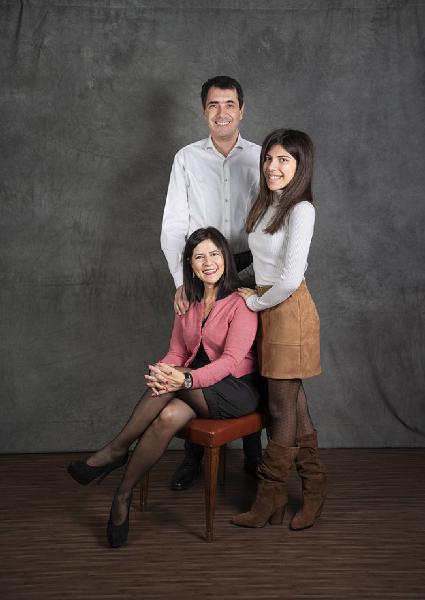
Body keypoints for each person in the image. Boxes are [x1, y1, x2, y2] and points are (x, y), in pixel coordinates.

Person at [68, 227, 261, 547]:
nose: (209, 262)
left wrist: (183, 378)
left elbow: (230, 361)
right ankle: (122, 497)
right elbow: (177, 352)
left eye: (215, 254)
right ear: (191, 263)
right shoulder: (189, 301)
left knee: (173, 385)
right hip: (196, 387)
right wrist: (164, 370)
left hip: (237, 389)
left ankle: (115, 451)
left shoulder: (240, 303)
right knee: (167, 417)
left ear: (226, 257)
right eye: (200, 257)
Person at [161, 75, 262, 489]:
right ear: (204, 111)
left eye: (230, 104)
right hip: (202, 264)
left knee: (252, 362)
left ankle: (256, 464)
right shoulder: (186, 157)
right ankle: (192, 459)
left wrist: (263, 282)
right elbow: (173, 224)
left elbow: (272, 220)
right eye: (214, 105)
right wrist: (180, 280)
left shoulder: (259, 157)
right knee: (198, 351)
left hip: (249, 265)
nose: (222, 113)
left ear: (242, 110)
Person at [231, 129, 327, 531]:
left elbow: (289, 278)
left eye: (283, 160)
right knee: (293, 401)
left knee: (279, 406)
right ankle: (315, 486)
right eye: (269, 158)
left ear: (300, 165)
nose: (272, 167)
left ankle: (269, 496)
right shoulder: (267, 203)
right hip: (269, 306)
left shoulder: (300, 209)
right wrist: (232, 285)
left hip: (288, 310)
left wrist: (253, 301)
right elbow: (263, 265)